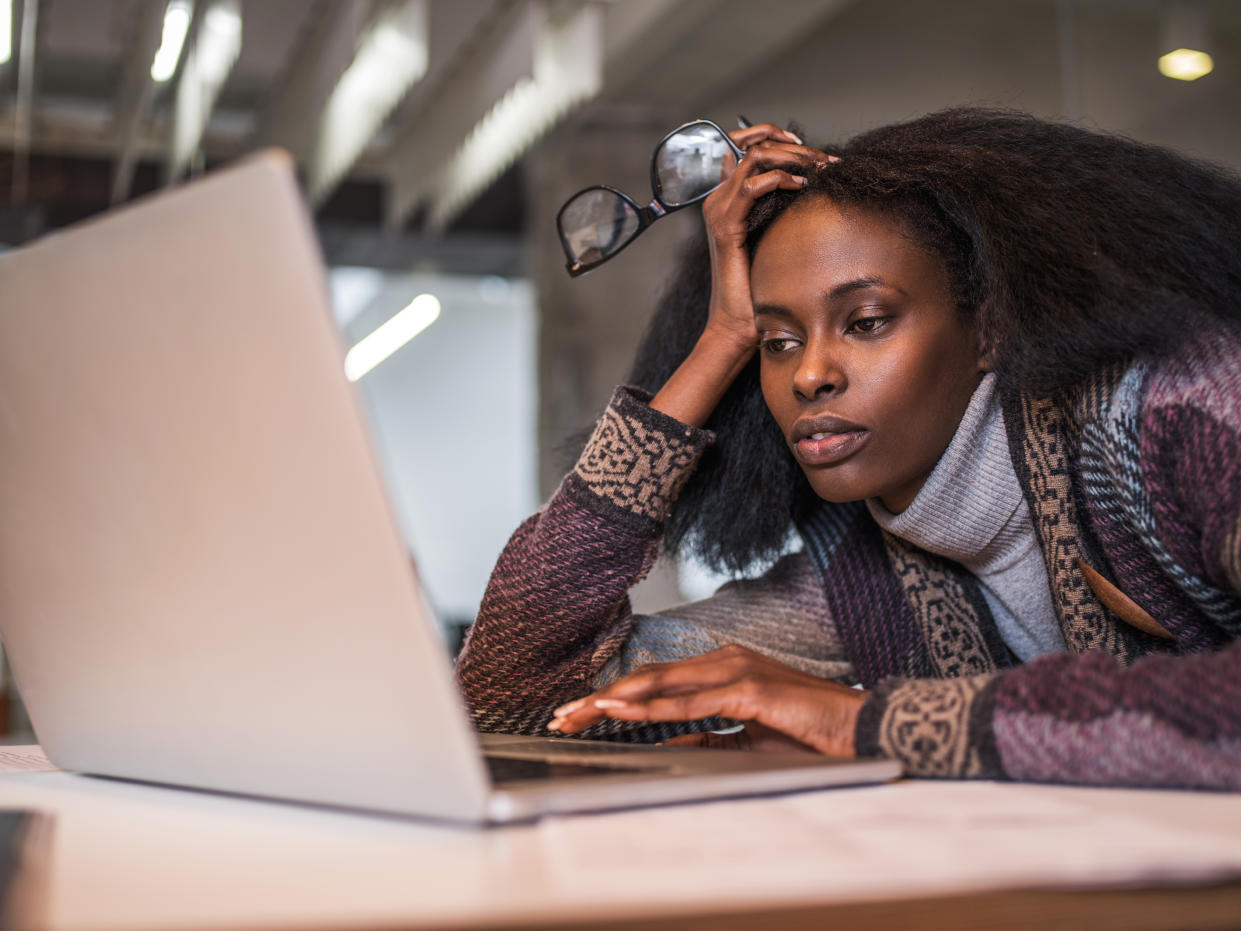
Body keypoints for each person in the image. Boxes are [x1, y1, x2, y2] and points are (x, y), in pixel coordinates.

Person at [456, 107, 1241, 788]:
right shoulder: (860, 580)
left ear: (990, 327)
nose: (810, 374)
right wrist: (718, 340)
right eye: (776, 342)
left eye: (866, 322)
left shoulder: (1177, 410)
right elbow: (510, 701)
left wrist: (868, 724)